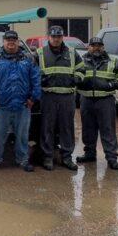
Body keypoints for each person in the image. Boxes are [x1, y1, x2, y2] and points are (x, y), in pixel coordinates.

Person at [0, 30, 40, 173]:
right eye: (8, 40)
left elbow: (36, 80)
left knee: (22, 136)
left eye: (14, 40)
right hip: (1, 107)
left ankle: (23, 160)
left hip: (23, 106)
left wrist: (33, 98)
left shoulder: (29, 59)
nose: (11, 42)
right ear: (3, 42)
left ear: (18, 42)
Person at [75, 36, 118, 170]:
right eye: (93, 45)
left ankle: (111, 157)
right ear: (88, 47)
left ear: (103, 47)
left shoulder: (113, 61)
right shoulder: (81, 61)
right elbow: (74, 74)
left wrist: (113, 84)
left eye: (99, 45)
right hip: (86, 99)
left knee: (108, 129)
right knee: (88, 129)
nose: (96, 48)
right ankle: (89, 154)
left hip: (105, 100)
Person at [36, 25, 81, 171]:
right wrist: (39, 80)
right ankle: (47, 157)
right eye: (54, 36)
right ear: (48, 37)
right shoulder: (40, 53)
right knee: (47, 128)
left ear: (62, 38)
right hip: (48, 96)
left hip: (67, 97)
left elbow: (82, 69)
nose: (56, 39)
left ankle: (67, 157)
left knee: (67, 128)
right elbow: (31, 71)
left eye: (59, 37)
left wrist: (77, 79)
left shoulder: (72, 52)